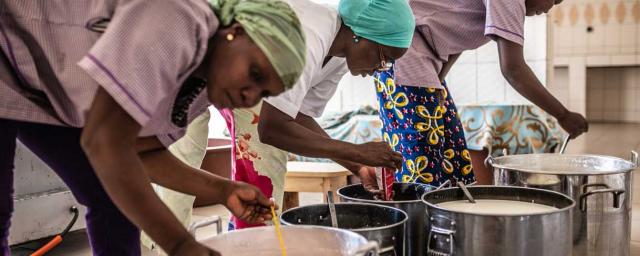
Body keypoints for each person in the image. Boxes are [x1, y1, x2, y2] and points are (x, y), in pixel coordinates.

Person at [0, 0, 306, 255]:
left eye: (263, 93)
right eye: (254, 73)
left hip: (35, 83)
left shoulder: (202, 85)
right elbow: (105, 143)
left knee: (115, 197)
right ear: (235, 32)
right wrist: (181, 243)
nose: (249, 96)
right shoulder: (179, 17)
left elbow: (140, 153)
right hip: (10, 38)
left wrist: (223, 189)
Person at [216, 0, 416, 229]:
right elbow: (271, 128)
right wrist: (357, 151)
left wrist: (357, 165)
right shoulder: (311, 34)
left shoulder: (340, 56)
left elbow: (297, 116)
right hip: (204, 59)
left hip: (230, 75)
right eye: (384, 56)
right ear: (362, 34)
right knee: (259, 180)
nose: (381, 69)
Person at [373, 0, 588, 186]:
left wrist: (439, 81)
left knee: (453, 157)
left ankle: (451, 225)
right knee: (422, 162)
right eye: (554, 0)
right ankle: (418, 228)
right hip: (403, 50)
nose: (550, 8)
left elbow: (456, 40)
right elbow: (513, 70)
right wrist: (562, 114)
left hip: (422, 55)